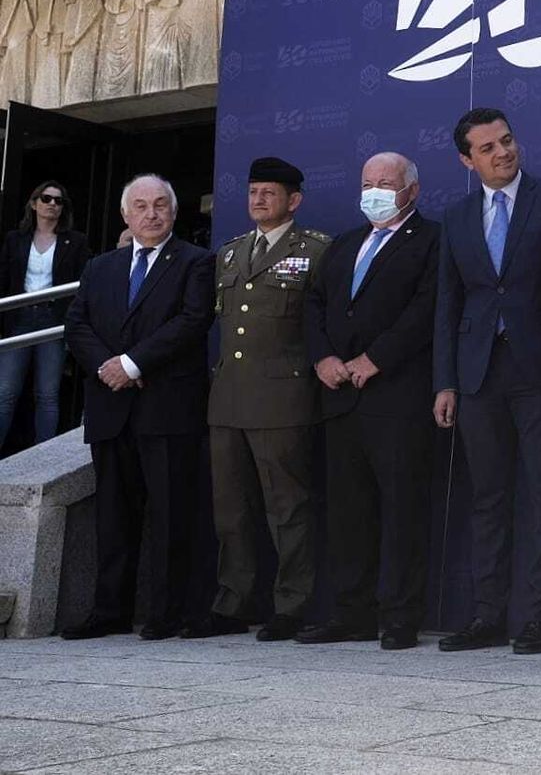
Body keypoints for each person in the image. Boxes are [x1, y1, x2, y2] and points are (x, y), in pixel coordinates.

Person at [433, 108, 541, 654]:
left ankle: (540, 618)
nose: (503, 152)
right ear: (467, 160)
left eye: (507, 141)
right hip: (477, 375)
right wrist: (445, 381)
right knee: (488, 500)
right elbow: (449, 303)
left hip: (540, 369)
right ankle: (486, 615)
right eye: (488, 148)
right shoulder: (457, 216)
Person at [60, 175, 214, 640]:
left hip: (166, 409)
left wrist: (132, 363)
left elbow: (192, 321)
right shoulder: (101, 266)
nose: (152, 214)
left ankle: (166, 613)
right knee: (113, 518)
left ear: (173, 211)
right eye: (141, 206)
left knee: (170, 516)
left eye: (161, 205)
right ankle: (109, 612)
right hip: (111, 409)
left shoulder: (196, 262)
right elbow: (77, 323)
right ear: (126, 215)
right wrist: (109, 368)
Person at [187, 157, 332, 642]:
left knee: (287, 508)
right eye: (253, 192)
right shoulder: (229, 254)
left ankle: (292, 605)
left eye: (269, 192)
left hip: (283, 399)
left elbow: (321, 325)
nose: (258, 200)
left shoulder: (314, 251)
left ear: (294, 200)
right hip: (228, 399)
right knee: (231, 509)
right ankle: (234, 602)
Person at [299, 153, 439, 651]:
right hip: (339, 399)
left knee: (402, 511)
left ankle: (400, 615)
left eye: (385, 183)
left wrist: (375, 358)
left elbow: (427, 307)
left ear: (411, 190)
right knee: (348, 512)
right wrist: (323, 359)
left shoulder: (431, 240)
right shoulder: (344, 244)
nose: (374, 191)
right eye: (367, 183)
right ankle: (350, 613)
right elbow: (313, 306)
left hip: (395, 397)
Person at [1, 181, 91, 451]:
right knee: (5, 393)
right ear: (34, 203)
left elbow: (82, 284)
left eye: (58, 201)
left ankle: (43, 459)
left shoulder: (75, 241)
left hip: (53, 319)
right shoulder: (14, 239)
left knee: (47, 394)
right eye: (46, 198)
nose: (52, 204)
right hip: (18, 320)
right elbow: (4, 280)